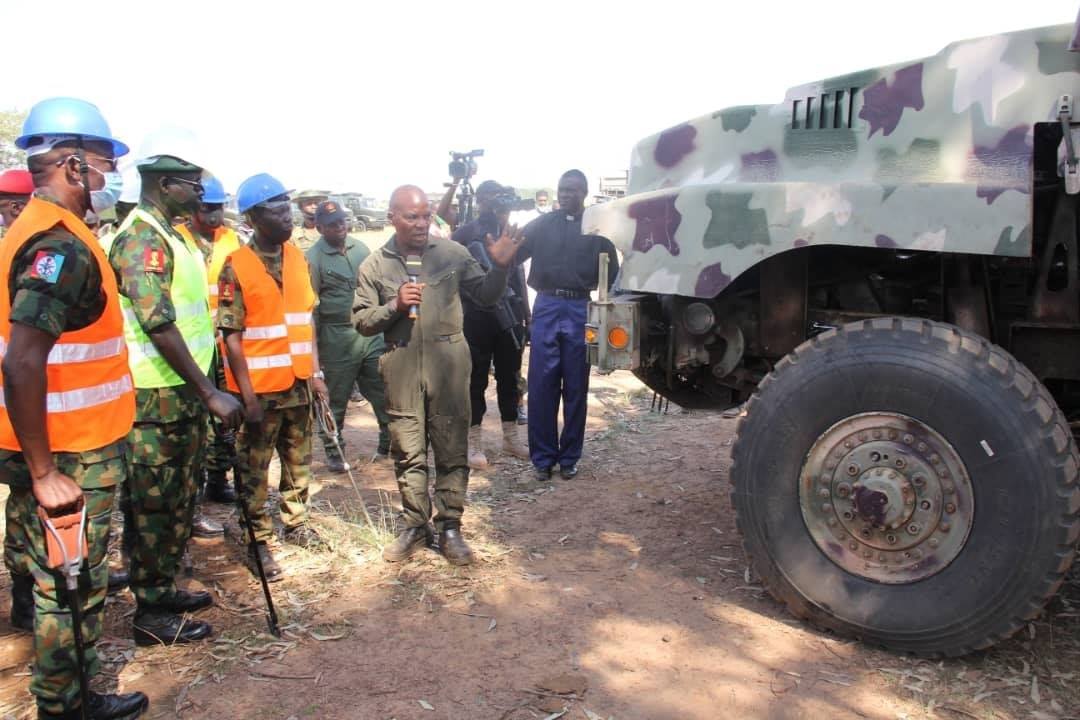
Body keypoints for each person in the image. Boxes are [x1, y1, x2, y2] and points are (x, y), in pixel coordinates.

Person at [0, 96, 148, 719]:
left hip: (48, 438)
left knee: (53, 575)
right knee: (72, 584)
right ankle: (66, 705)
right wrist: (44, 472)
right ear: (73, 164)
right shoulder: (58, 247)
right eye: (105, 162)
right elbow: (23, 359)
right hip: (70, 451)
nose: (113, 176)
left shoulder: (34, 229)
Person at [104, 127, 244, 647]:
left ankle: (161, 588)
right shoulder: (141, 238)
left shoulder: (175, 233)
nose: (198, 191)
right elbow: (157, 323)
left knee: (177, 500)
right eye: (190, 183)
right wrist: (209, 390)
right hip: (152, 399)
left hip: (179, 393)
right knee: (152, 506)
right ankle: (151, 610)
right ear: (165, 184)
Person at [353, 185, 518, 566]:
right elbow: (361, 321)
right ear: (392, 217)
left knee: (451, 448)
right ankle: (414, 525)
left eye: (427, 215)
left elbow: (488, 296)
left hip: (449, 365)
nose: (422, 223)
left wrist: (501, 266)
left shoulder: (453, 254)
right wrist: (394, 305)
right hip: (401, 365)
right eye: (412, 216)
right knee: (408, 451)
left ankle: (449, 527)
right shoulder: (375, 265)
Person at [218, 173, 329, 581]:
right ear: (253, 217)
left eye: (289, 207)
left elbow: (307, 319)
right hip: (259, 393)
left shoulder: (297, 258)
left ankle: (297, 524)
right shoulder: (237, 266)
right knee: (254, 468)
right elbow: (230, 336)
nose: (289, 216)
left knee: (299, 461)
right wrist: (245, 396)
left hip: (299, 383)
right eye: (277, 209)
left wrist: (315, 372)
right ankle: (257, 540)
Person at [517, 170, 618, 481]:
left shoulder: (597, 229)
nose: (565, 195)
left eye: (572, 190)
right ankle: (543, 459)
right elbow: (513, 254)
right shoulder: (541, 225)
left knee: (576, 386)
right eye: (562, 189)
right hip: (546, 307)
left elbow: (613, 276)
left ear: (584, 193)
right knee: (541, 385)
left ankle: (570, 457)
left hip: (580, 309)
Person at [305, 200, 390, 472]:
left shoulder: (360, 248)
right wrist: (314, 352)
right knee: (337, 398)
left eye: (342, 221)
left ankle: (388, 444)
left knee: (382, 391)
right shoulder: (314, 258)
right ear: (319, 228)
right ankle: (334, 450)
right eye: (332, 224)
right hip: (337, 337)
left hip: (369, 334)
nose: (340, 227)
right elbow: (311, 308)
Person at [450, 182, 529, 468]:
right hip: (476, 316)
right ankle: (474, 443)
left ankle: (511, 438)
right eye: (489, 200)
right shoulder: (464, 234)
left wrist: (526, 315)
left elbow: (517, 276)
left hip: (509, 316)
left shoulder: (508, 232)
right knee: (475, 380)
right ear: (479, 201)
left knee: (510, 377)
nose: (494, 206)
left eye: (500, 201)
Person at [174, 176, 242, 503]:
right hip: (190, 346)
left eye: (218, 208)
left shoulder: (233, 240)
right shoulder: (178, 239)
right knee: (197, 416)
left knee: (227, 415)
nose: (213, 216)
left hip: (224, 343)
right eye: (206, 209)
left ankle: (218, 477)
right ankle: (194, 485)